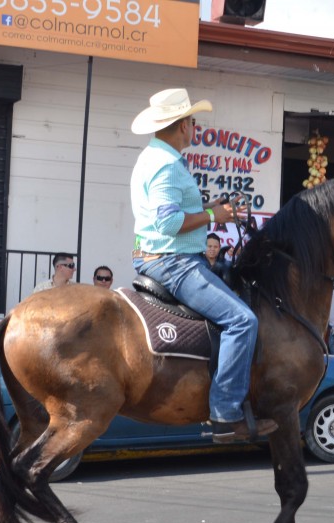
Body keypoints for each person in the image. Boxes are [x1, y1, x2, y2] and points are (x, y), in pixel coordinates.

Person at [129, 87, 276, 444]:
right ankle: (225, 413)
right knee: (242, 320)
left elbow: (172, 213)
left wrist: (213, 207)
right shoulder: (167, 165)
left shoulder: (153, 157)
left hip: (157, 255)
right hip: (173, 262)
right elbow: (167, 223)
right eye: (192, 122)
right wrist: (213, 214)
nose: (194, 128)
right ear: (182, 125)